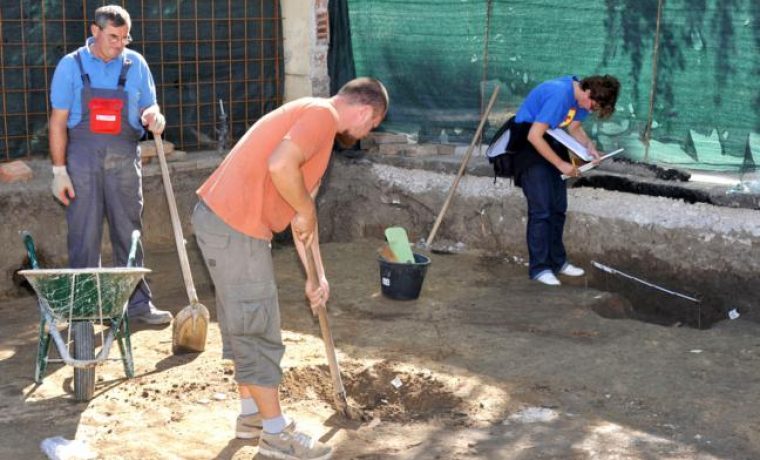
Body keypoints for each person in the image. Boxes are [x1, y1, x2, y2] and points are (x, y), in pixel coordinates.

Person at [192, 77, 388, 459]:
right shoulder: (320, 116)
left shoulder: (315, 125)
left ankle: (251, 416)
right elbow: (281, 167)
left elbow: (303, 219)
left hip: (226, 223)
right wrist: (305, 208)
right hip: (235, 226)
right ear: (364, 111)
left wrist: (317, 276)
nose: (367, 133)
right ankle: (276, 436)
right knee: (256, 325)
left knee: (242, 320)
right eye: (372, 125)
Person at [48, 5, 172, 324]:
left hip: (123, 157)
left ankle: (137, 304)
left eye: (124, 37)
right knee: (84, 233)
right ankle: (86, 308)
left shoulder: (136, 64)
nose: (119, 44)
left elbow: (150, 104)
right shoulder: (70, 66)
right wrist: (59, 171)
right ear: (95, 31)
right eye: (113, 37)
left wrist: (154, 116)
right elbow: (58, 122)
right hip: (82, 159)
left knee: (128, 230)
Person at [511, 75, 620, 286]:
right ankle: (539, 268)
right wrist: (562, 165)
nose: (590, 110)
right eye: (592, 105)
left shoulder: (581, 98)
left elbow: (574, 128)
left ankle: (557, 262)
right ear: (588, 92)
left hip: (552, 138)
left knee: (558, 206)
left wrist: (589, 147)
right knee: (541, 209)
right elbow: (534, 136)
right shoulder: (560, 95)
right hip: (528, 141)